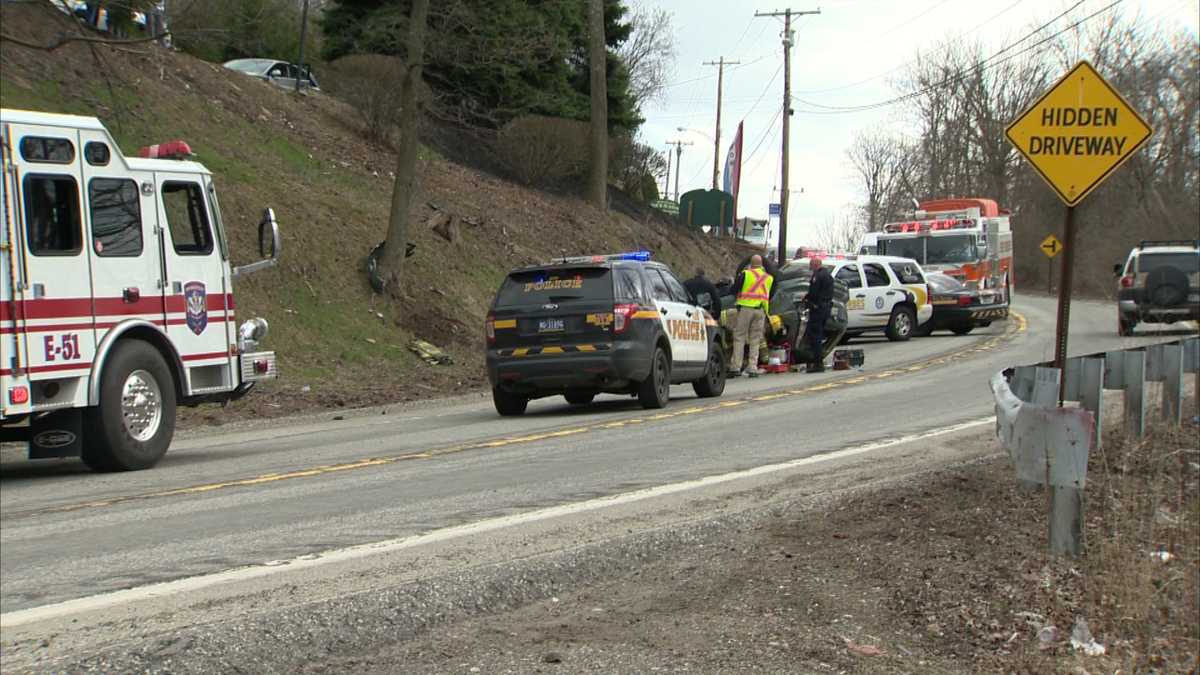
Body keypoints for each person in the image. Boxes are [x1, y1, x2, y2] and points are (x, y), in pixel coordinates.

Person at [729, 255, 773, 378]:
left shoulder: (745, 274)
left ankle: (736, 366)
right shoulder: (768, 278)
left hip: (745, 309)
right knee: (755, 339)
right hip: (761, 310)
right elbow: (771, 293)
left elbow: (733, 290)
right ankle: (752, 367)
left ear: (750, 264)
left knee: (739, 337)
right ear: (762, 265)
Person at [802, 256, 834, 373]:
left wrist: (807, 299)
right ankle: (817, 361)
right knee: (819, 335)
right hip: (826, 308)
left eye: (811, 265)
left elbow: (814, 293)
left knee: (814, 336)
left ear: (815, 265)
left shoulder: (817, 276)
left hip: (818, 309)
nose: (810, 268)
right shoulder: (828, 276)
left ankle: (817, 363)